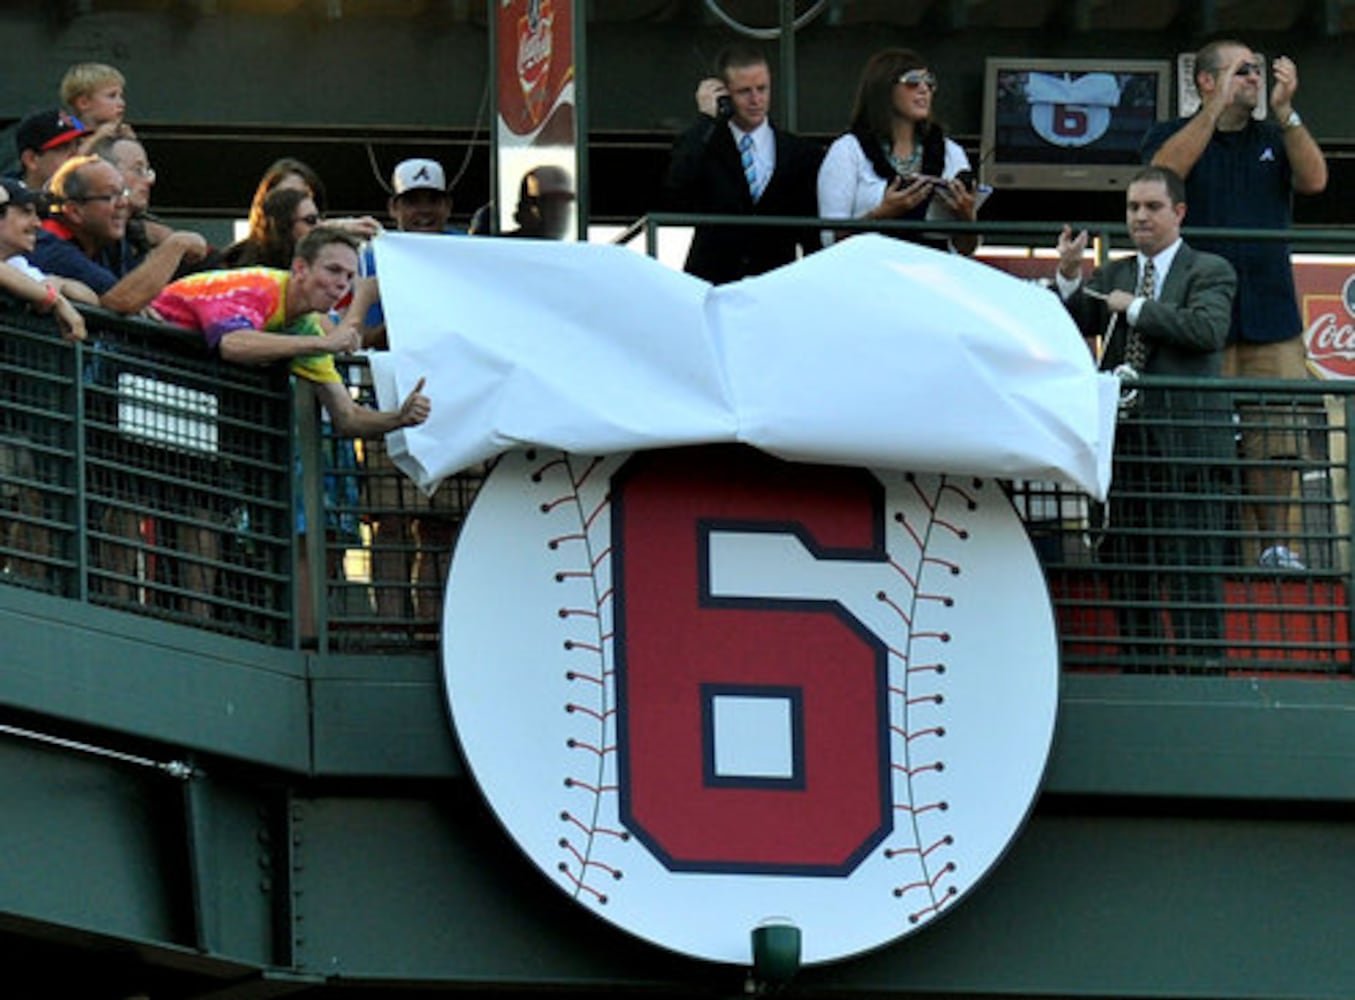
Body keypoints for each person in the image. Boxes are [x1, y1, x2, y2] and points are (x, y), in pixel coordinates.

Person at [149, 226, 431, 635]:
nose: (340, 284)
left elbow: (347, 417)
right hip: (132, 377)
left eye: (350, 278)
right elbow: (234, 345)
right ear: (299, 269)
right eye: (332, 270)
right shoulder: (261, 286)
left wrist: (399, 418)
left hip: (180, 406)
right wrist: (322, 346)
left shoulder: (305, 329)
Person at [1143, 40, 1328, 571]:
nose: (1255, 78)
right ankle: (1191, 551)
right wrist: (1211, 111)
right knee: (1197, 441)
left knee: (1278, 440)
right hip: (1195, 314)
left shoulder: (1275, 135)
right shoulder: (1170, 133)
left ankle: (1273, 547)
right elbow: (1163, 176)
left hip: (1270, 314)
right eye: (1242, 71)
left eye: (1258, 70)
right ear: (1206, 80)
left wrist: (1288, 112)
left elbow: (1316, 180)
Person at [1056, 165, 1237, 669]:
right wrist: (1070, 278)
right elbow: (1073, 327)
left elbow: (1207, 330)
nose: (1140, 216)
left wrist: (1135, 308)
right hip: (1124, 449)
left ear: (1178, 212)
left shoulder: (1210, 268)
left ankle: (1204, 682)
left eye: (1152, 207)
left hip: (1186, 450)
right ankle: (1143, 670)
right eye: (1133, 207)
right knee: (1128, 571)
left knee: (1191, 577)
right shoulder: (1112, 273)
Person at [662, 44, 823, 285]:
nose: (756, 100)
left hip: (775, 284)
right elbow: (675, 190)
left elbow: (812, 232)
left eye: (762, 89)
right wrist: (707, 119)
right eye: (744, 91)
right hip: (712, 283)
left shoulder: (800, 153)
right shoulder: (705, 144)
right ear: (724, 93)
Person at [817, 48, 980, 255]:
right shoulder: (848, 151)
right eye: (912, 81)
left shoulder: (951, 152)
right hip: (867, 273)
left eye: (929, 82)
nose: (924, 89)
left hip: (929, 275)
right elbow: (830, 241)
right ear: (884, 88)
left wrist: (967, 217)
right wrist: (881, 215)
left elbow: (966, 250)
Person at [30, 155, 209, 314]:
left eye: (123, 192)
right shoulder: (47, 245)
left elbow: (130, 294)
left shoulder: (106, 239)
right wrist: (176, 245)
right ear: (74, 211)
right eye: (109, 196)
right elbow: (120, 301)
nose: (124, 203)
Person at [220, 187, 319, 269]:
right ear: (283, 226)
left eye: (319, 219)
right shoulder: (237, 266)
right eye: (311, 220)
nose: (320, 226)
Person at [59, 62, 130, 152]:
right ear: (83, 103)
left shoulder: (118, 133)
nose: (122, 103)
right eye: (112, 96)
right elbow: (70, 163)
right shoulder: (66, 130)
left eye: (121, 96)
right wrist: (98, 137)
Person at [11, 109, 87, 192]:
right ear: (31, 160)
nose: (77, 155)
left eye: (78, 144)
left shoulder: (91, 192)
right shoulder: (6, 198)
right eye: (63, 147)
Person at [503, 165, 575, 239]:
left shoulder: (573, 248)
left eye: (564, 205)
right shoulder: (501, 247)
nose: (558, 213)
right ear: (525, 207)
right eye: (549, 205)